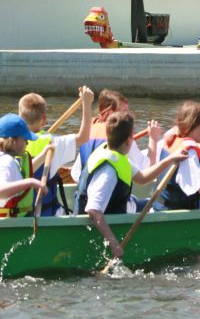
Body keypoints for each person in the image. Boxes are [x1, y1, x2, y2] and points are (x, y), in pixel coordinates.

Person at [76, 113, 188, 257]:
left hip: (117, 209)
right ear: (130, 140)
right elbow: (93, 210)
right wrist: (113, 243)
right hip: (104, 221)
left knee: (152, 205)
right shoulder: (109, 171)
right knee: (156, 210)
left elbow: (142, 178)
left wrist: (170, 159)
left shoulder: (113, 154)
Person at [18, 86, 94, 216]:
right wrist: (86, 103)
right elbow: (83, 137)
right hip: (44, 215)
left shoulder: (8, 141)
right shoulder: (52, 143)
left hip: (16, 213)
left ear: (20, 116)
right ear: (44, 119)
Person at [0, 114, 48, 218]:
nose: (27, 142)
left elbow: (20, 177)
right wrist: (31, 182)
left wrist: (44, 155)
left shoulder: (8, 158)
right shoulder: (6, 161)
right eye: (24, 138)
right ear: (12, 140)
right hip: (10, 228)